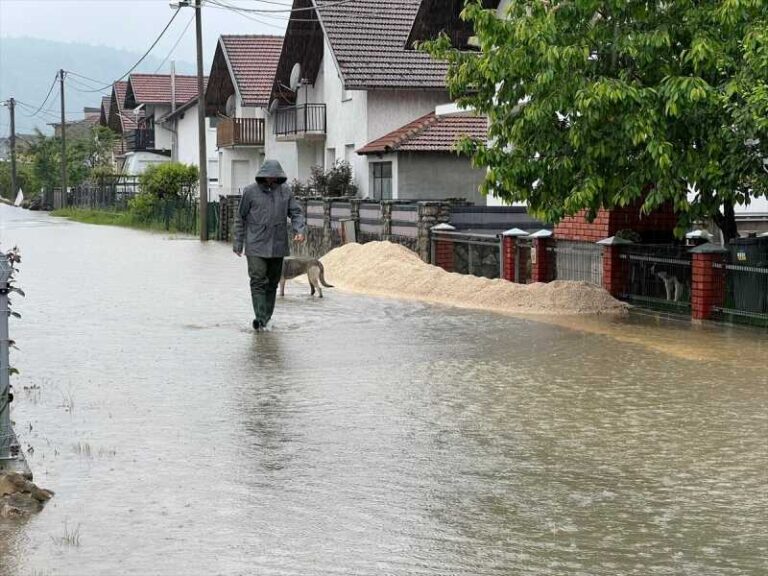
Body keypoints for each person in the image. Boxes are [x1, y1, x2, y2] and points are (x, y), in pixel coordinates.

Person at [233, 160, 306, 331]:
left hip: (277, 245)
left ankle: (265, 319)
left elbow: (296, 213)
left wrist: (299, 230)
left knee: (272, 283)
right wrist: (238, 242)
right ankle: (260, 319)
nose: (272, 179)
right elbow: (240, 218)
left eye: (275, 176)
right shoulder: (250, 192)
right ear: (263, 175)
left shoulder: (285, 192)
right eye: (269, 176)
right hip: (255, 245)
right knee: (258, 280)